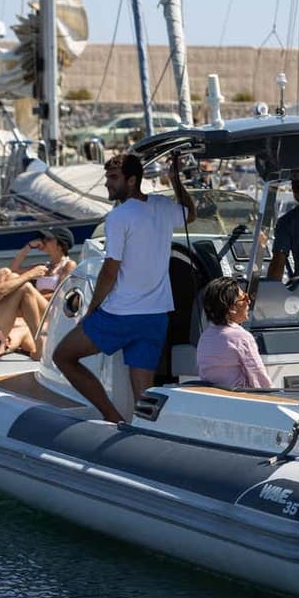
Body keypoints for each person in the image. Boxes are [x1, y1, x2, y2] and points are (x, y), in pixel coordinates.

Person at [53, 152, 196, 424]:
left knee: (64, 356)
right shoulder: (162, 206)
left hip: (120, 315)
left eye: (113, 178)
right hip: (155, 316)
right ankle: (145, 435)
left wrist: (91, 311)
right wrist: (177, 179)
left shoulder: (119, 217)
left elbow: (110, 270)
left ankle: (112, 418)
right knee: (142, 396)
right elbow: (191, 213)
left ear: (132, 180)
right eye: (107, 177)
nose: (108, 183)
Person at [195, 277, 270, 389]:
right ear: (232, 308)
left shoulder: (205, 337)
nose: (249, 301)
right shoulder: (241, 337)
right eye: (244, 298)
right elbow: (258, 377)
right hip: (240, 400)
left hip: (213, 399)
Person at [0, 226, 76, 298]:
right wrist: (28, 246)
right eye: (44, 238)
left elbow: (60, 295)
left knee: (26, 289)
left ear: (61, 245)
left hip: (51, 308)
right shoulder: (44, 267)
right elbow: (13, 270)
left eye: (48, 239)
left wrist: (30, 298)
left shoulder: (69, 265)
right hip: (36, 305)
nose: (43, 241)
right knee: (3, 272)